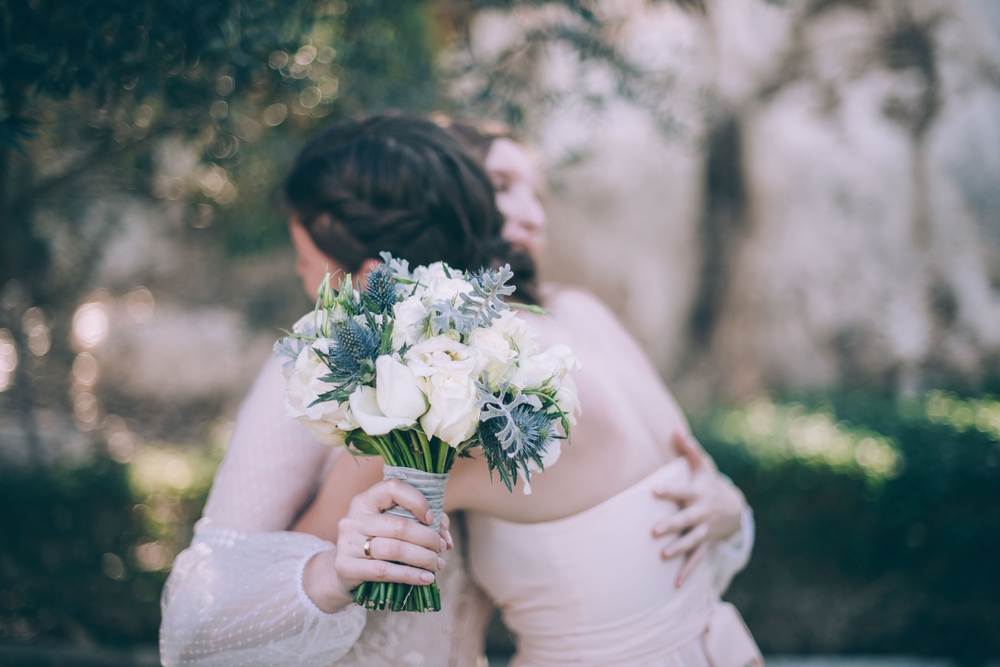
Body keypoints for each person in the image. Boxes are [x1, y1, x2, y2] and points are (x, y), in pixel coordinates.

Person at [159, 114, 752, 667]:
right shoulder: (580, 314)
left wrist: (327, 568)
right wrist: (733, 509)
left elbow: (266, 583)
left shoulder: (444, 394)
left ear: (370, 275)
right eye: (501, 183)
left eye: (308, 260)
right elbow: (692, 487)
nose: (529, 212)